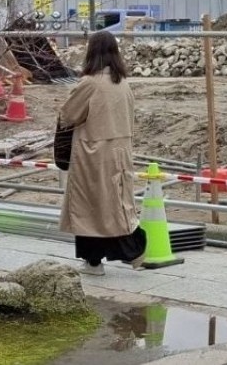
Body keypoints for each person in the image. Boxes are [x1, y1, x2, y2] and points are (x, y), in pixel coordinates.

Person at [58, 30, 146, 275]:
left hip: (93, 153)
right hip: (121, 150)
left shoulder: (91, 83)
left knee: (89, 208)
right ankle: (132, 250)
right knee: (118, 203)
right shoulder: (123, 83)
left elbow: (68, 115)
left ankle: (96, 260)